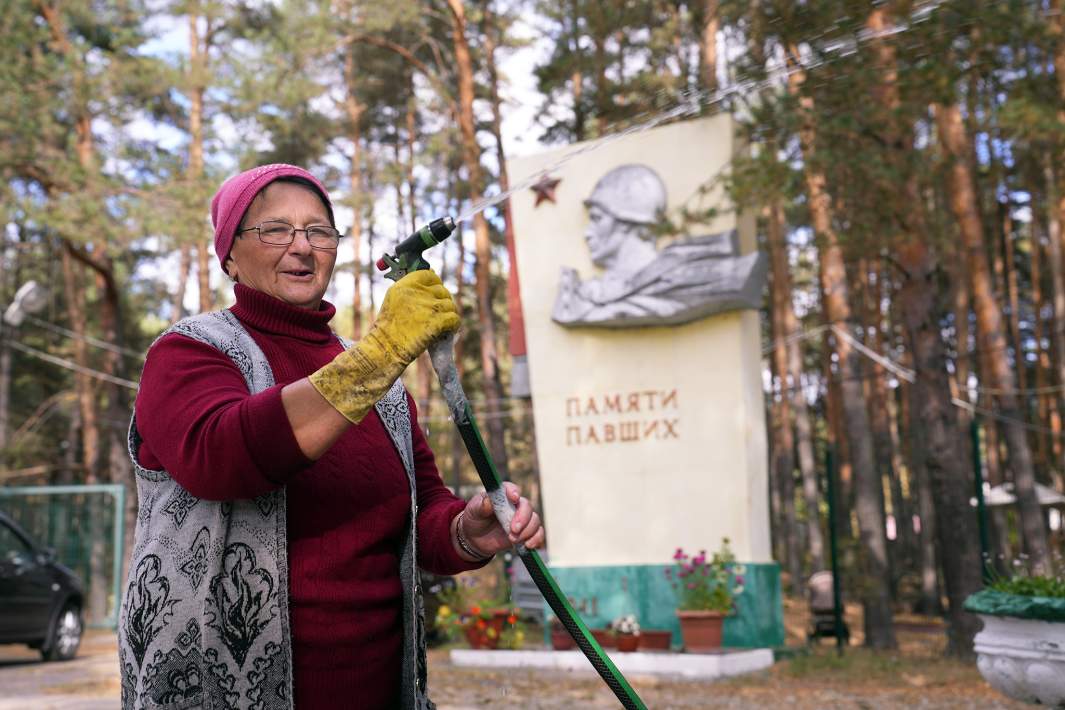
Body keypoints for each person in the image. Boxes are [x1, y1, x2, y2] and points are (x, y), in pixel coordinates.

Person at [118, 163, 544, 710]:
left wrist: (467, 530)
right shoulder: (189, 352)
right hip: (215, 691)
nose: (301, 247)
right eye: (274, 229)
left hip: (377, 688)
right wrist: (382, 354)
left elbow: (422, 513)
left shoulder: (384, 390)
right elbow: (220, 457)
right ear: (228, 254)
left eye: (319, 231)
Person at [551, 163, 767, 328]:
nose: (587, 233)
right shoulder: (585, 294)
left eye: (597, 218)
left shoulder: (694, 280)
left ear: (629, 222)